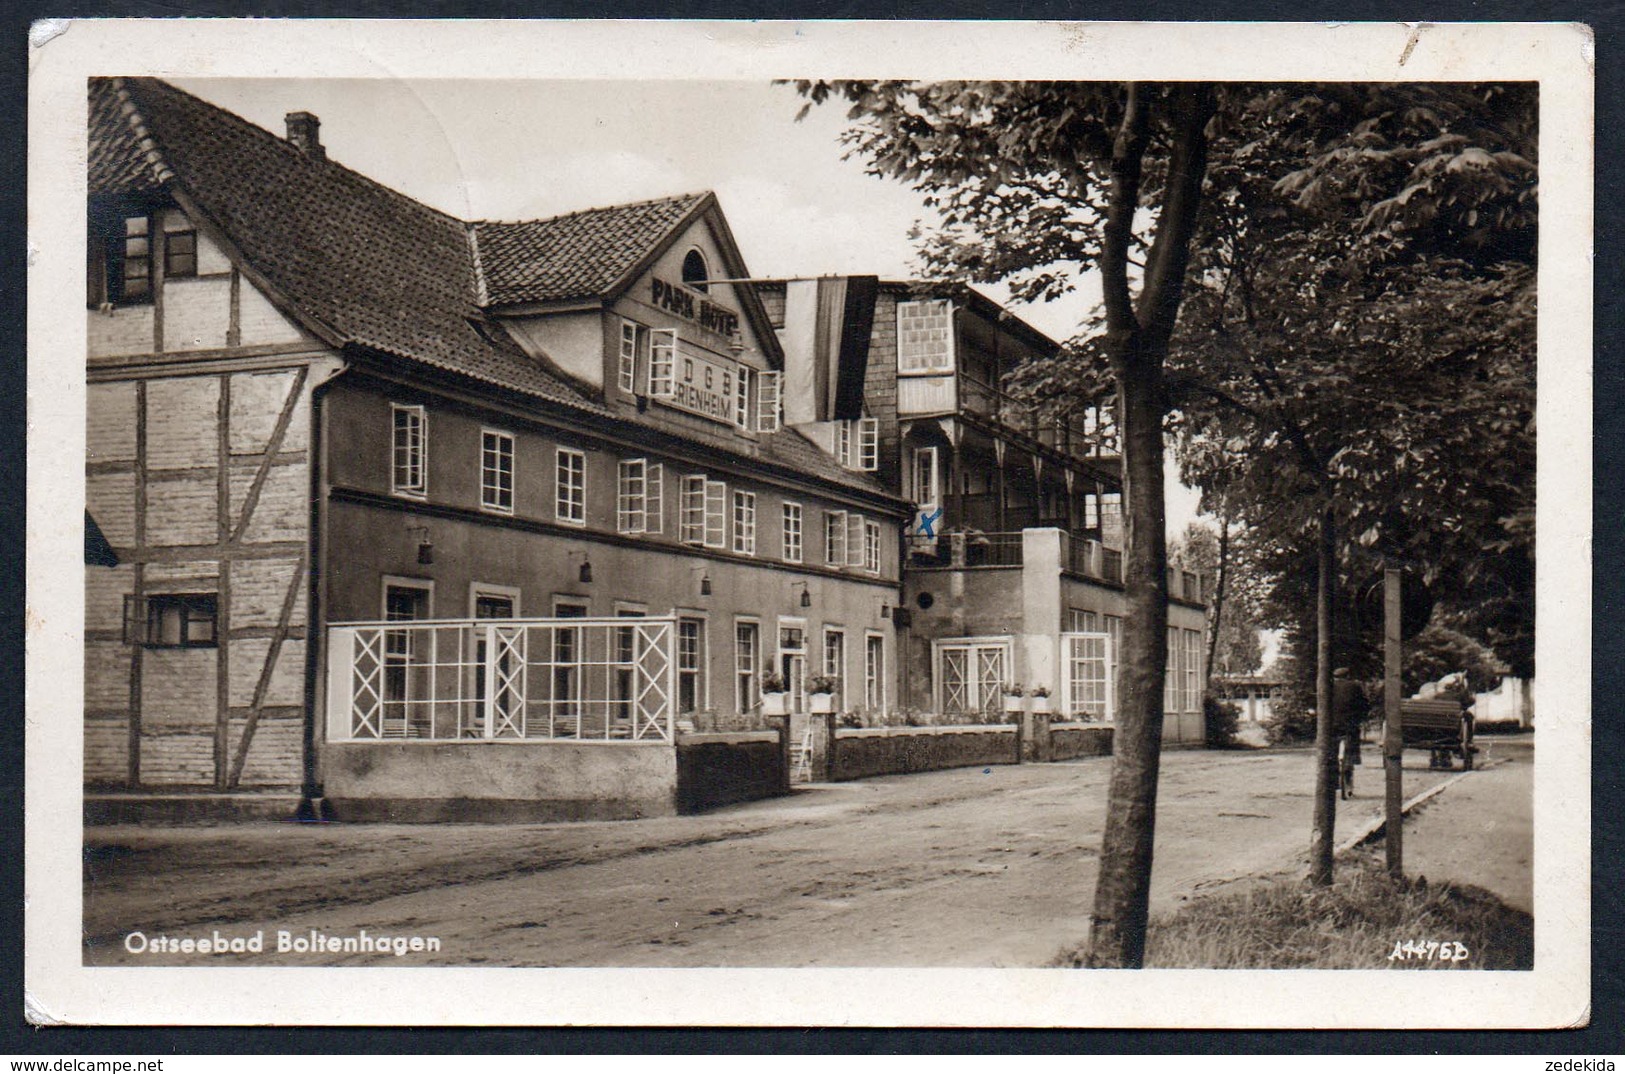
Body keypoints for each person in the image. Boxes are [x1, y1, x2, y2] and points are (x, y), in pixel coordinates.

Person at [1334, 667, 1369, 799]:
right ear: (1347, 676)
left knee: (1330, 753)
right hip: (1350, 725)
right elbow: (1364, 704)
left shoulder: (1328, 685)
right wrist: (1362, 717)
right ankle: (1352, 762)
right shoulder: (1355, 686)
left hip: (1332, 726)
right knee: (1352, 747)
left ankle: (1332, 778)